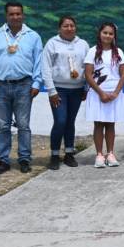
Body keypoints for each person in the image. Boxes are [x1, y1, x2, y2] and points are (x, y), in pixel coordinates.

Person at [0, 2, 43, 175]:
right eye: (11, 14)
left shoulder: (33, 36)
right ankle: (3, 160)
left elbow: (39, 62)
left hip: (24, 85)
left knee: (23, 125)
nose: (15, 17)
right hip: (0, 86)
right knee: (3, 126)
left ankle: (24, 159)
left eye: (18, 14)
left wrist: (37, 83)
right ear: (6, 16)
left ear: (23, 15)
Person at [42, 16, 90, 170]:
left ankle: (69, 153)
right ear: (59, 28)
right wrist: (51, 91)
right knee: (60, 121)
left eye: (72, 26)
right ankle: (54, 155)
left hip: (76, 90)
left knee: (70, 121)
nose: (69, 28)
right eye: (65, 26)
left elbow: (89, 67)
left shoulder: (83, 45)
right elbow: (46, 68)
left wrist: (86, 88)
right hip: (59, 90)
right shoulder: (52, 44)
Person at [84, 22, 124, 168]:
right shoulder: (92, 51)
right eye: (105, 33)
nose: (107, 36)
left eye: (111, 33)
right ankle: (99, 155)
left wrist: (115, 92)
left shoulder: (118, 52)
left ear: (114, 36)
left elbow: (123, 74)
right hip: (97, 93)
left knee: (110, 124)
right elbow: (88, 75)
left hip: (114, 93)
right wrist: (101, 93)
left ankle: (110, 153)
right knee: (99, 124)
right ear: (99, 33)